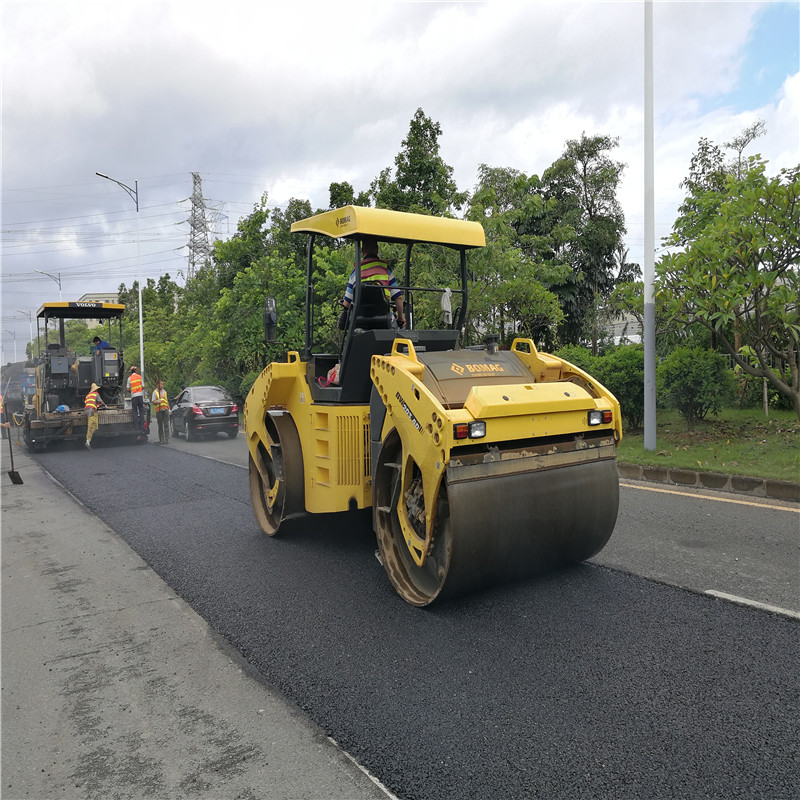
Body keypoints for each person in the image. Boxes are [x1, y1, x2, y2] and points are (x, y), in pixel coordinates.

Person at [340, 236, 405, 329]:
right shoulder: (385, 269)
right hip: (384, 320)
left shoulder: (356, 271)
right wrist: (400, 317)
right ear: (377, 250)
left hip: (359, 321)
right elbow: (398, 297)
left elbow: (346, 303)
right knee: (398, 331)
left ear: (362, 251)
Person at [84, 383, 106, 450]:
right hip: (91, 411)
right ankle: (87, 441)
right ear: (95, 389)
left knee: (95, 427)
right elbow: (101, 401)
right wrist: (105, 405)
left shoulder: (88, 395)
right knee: (91, 427)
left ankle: (89, 438)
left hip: (89, 411)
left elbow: (87, 403)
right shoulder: (96, 394)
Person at [151, 379, 170, 444]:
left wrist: (168, 408)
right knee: (160, 425)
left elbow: (166, 400)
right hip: (159, 411)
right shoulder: (155, 392)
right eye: (160, 384)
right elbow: (153, 401)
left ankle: (166, 439)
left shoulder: (164, 392)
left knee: (166, 424)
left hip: (165, 410)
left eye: (162, 384)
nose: (161, 385)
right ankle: (161, 440)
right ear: (157, 385)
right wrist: (157, 401)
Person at [127, 366, 145, 435]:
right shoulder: (139, 377)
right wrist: (139, 390)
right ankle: (142, 426)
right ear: (136, 371)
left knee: (134, 412)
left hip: (134, 396)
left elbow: (128, 389)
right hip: (140, 396)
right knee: (141, 411)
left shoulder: (129, 378)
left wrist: (132, 391)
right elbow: (143, 386)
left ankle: (136, 427)